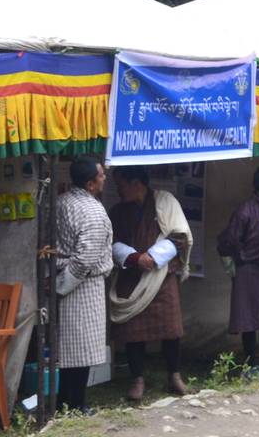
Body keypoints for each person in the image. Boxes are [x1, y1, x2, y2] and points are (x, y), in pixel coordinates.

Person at [107, 166, 193, 401]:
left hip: (162, 275)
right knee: (134, 333)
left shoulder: (165, 202)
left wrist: (153, 258)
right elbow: (111, 243)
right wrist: (136, 258)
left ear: (136, 182)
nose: (118, 189)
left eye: (121, 184)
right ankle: (137, 379)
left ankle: (174, 375)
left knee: (171, 329)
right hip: (132, 277)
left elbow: (180, 237)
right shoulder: (116, 212)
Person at [55, 156, 114, 413]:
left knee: (68, 349)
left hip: (64, 276)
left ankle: (64, 401)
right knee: (81, 348)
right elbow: (86, 257)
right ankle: (76, 404)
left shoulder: (61, 201)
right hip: (82, 284)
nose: (105, 178)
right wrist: (63, 285)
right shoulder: (91, 210)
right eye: (101, 175)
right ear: (91, 183)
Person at [215, 164, 259, 375]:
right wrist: (238, 259)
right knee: (249, 320)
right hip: (247, 270)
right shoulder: (245, 210)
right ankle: (250, 363)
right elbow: (230, 240)